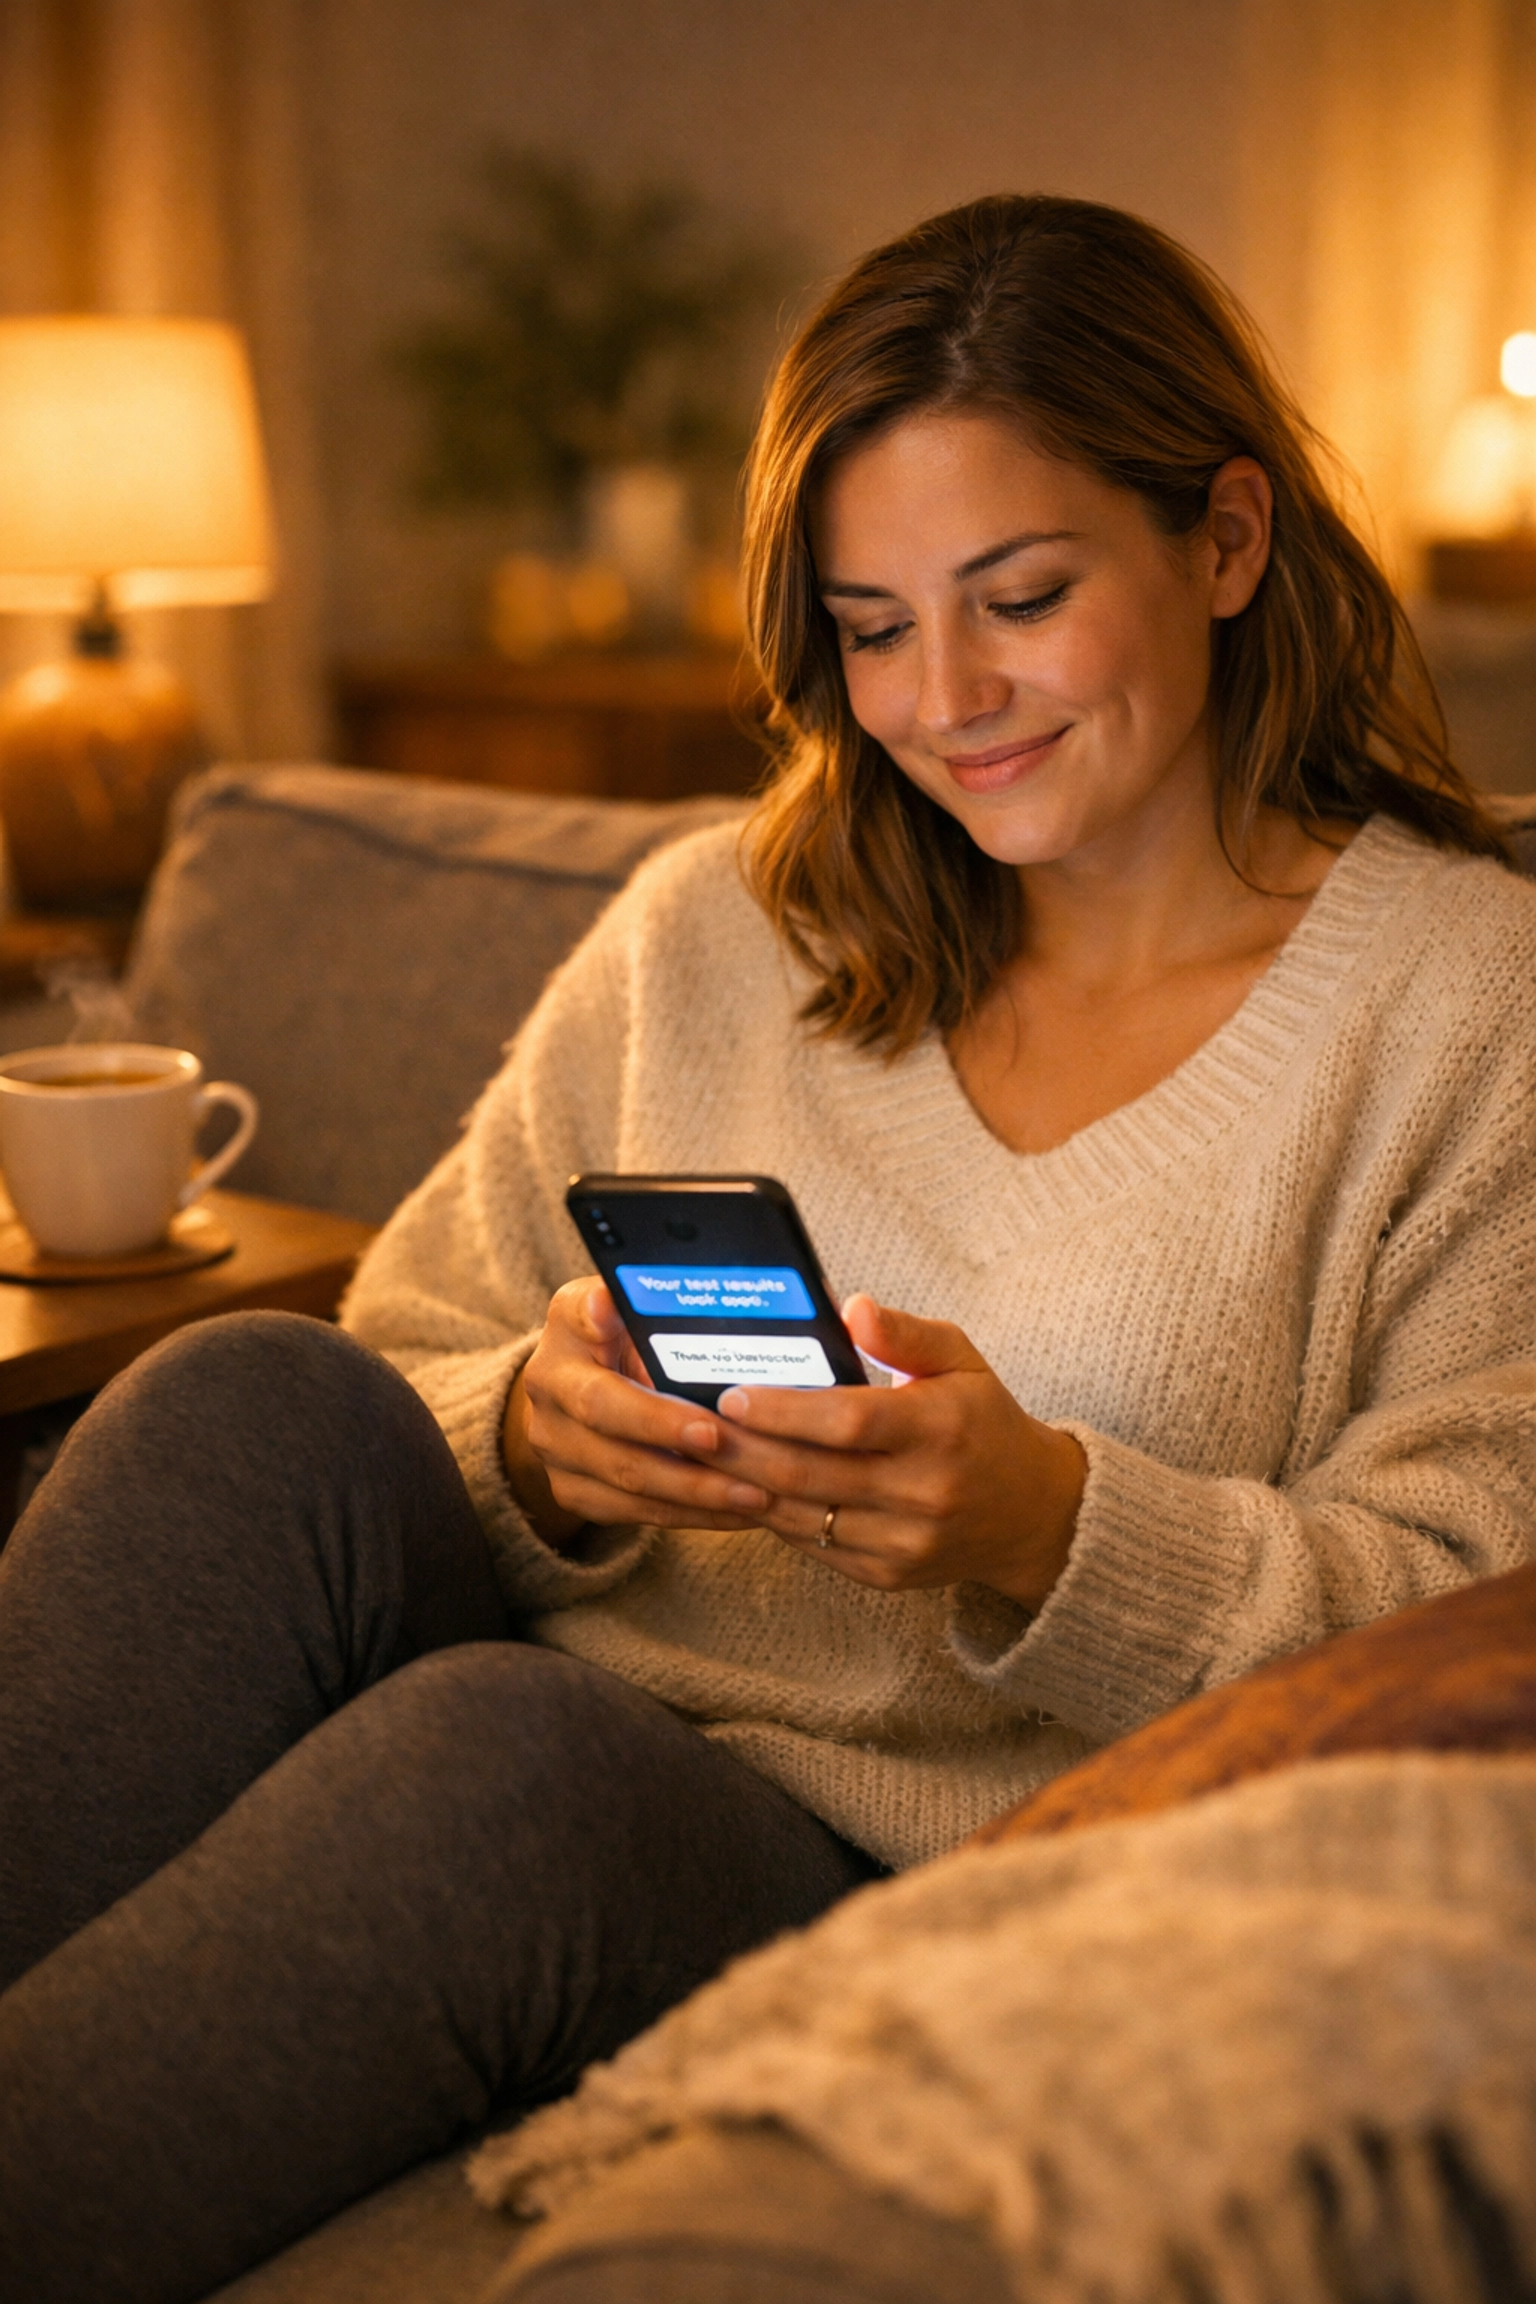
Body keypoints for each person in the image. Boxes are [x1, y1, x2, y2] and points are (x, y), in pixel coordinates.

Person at [3, 192, 1535, 2303]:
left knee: (494, 1766)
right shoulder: (728, 926)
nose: (945, 697)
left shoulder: (1468, 1005)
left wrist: (1050, 1528)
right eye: (874, 623)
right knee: (249, 1390)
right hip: (567, 1674)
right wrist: (534, 1434)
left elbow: (1478, 1617)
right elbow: (412, 1343)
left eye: (1019, 596)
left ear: (1229, 544)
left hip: (914, 1870)